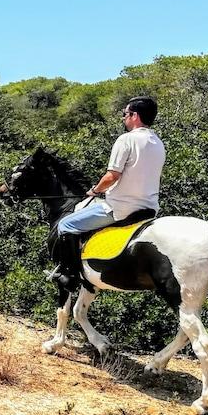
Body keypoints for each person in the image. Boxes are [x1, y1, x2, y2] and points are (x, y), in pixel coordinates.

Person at [52, 96, 165, 287]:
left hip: (120, 208)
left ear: (134, 116)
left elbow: (112, 176)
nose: (123, 118)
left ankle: (68, 274)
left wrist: (95, 191)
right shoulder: (158, 143)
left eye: (125, 114)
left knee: (65, 225)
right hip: (149, 208)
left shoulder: (126, 139)